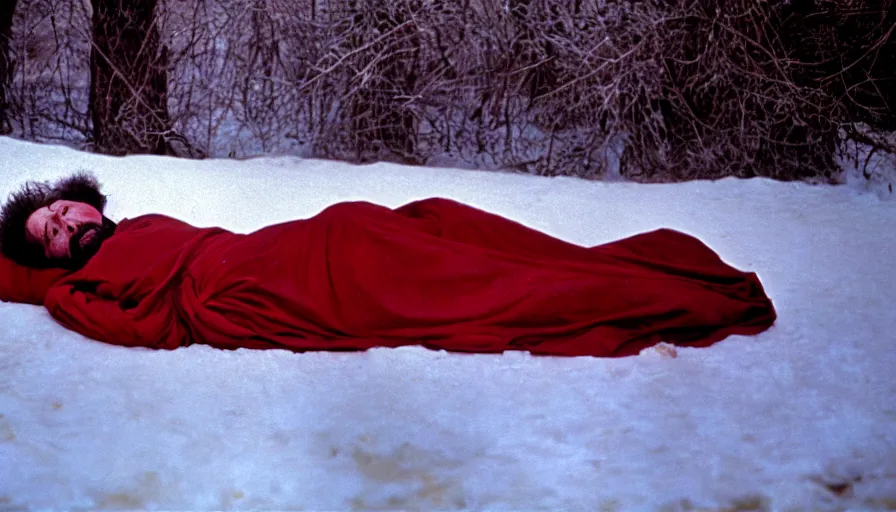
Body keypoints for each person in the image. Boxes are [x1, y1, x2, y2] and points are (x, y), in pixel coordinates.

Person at [0, 172, 776, 357]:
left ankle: (632, 271)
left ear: (85, 199)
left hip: (311, 237)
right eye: (51, 235)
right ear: (52, 259)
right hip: (269, 287)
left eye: (62, 210)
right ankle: (645, 292)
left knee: (448, 226)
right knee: (483, 292)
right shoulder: (73, 290)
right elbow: (152, 329)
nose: (65, 225)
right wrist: (202, 311)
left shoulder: (144, 221)